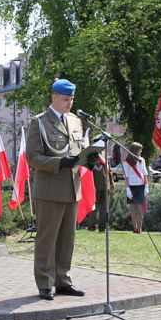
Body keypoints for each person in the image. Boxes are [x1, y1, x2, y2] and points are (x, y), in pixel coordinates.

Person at [26, 79, 89, 301]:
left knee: (66, 239)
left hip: (72, 188)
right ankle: (45, 282)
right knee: (47, 238)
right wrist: (59, 163)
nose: (69, 103)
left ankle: (63, 280)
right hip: (50, 189)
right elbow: (31, 157)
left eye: (71, 98)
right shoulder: (40, 122)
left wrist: (90, 159)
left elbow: (78, 149)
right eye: (65, 99)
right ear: (54, 97)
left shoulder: (75, 121)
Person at [123, 142, 148, 234]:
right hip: (132, 187)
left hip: (141, 186)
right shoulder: (127, 162)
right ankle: (135, 227)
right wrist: (127, 189)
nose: (141, 151)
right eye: (139, 149)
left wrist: (146, 186)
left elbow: (145, 174)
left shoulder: (142, 160)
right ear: (135, 150)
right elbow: (126, 177)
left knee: (140, 208)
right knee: (133, 208)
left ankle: (140, 228)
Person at [87, 152, 111, 232]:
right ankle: (91, 226)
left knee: (104, 208)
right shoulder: (91, 159)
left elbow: (109, 172)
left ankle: (103, 227)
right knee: (94, 209)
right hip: (95, 188)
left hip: (105, 187)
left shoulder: (105, 160)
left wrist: (111, 183)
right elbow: (89, 175)